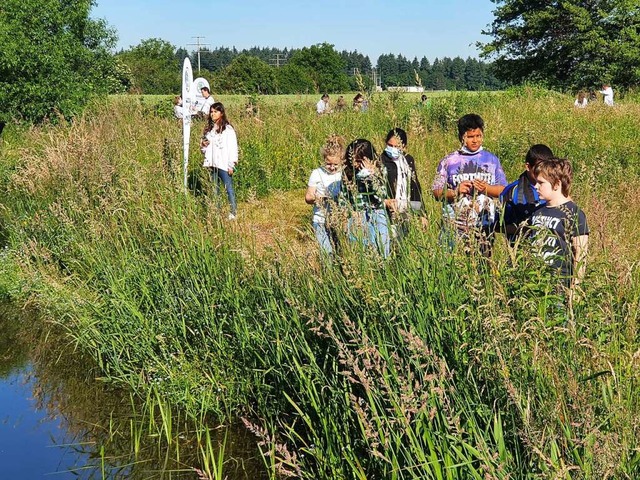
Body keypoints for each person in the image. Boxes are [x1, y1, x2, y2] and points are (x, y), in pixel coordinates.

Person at [431, 113, 507, 255]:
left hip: (484, 227)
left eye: (478, 136)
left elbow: (503, 190)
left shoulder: (492, 160)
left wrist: (486, 189)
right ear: (462, 137)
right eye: (470, 137)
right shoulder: (449, 161)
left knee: (483, 268)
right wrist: (455, 192)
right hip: (454, 226)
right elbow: (436, 192)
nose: (475, 140)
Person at [529, 157, 589, 298]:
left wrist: (576, 289)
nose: (536, 187)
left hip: (559, 285)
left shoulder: (574, 213)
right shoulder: (538, 211)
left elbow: (581, 254)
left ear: (556, 184)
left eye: (541, 183)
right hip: (534, 281)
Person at [341, 139, 390, 258]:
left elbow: (381, 195)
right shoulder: (347, 172)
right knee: (361, 249)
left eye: (358, 161)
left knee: (382, 246)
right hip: (358, 213)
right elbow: (344, 197)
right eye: (353, 160)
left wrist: (372, 177)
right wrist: (345, 216)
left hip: (377, 211)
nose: (355, 164)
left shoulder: (380, 169)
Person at [499, 144, 554, 245]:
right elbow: (501, 227)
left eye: (547, 168)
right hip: (521, 250)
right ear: (528, 166)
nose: (542, 172)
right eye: (538, 168)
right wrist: (529, 228)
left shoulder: (556, 187)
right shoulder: (512, 191)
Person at [305, 135, 345, 256]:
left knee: (341, 251)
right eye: (328, 164)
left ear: (341, 161)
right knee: (326, 252)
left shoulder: (344, 174)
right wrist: (320, 198)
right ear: (324, 159)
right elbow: (308, 197)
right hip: (320, 219)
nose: (332, 168)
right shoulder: (316, 173)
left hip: (339, 220)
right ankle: (327, 271)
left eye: (335, 165)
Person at [380, 128, 423, 239]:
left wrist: (421, 213)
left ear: (404, 147)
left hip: (407, 208)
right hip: (389, 211)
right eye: (390, 145)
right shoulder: (381, 161)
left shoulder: (408, 160)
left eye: (397, 146)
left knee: (405, 240)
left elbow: (415, 186)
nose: (393, 149)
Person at [201, 102, 238, 220]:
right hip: (212, 164)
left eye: (215, 112)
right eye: (211, 112)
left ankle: (233, 212)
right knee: (214, 189)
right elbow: (204, 149)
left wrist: (231, 164)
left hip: (223, 163)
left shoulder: (227, 129)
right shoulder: (209, 130)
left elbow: (233, 147)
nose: (213, 114)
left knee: (228, 188)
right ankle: (216, 212)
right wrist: (203, 145)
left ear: (221, 113)